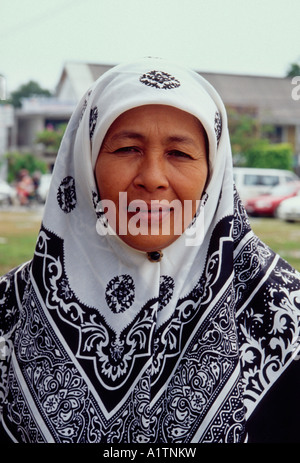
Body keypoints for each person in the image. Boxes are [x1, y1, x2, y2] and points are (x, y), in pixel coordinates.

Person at [0, 57, 300, 444]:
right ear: (86, 161)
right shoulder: (13, 306)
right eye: (126, 149)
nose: (153, 178)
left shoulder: (284, 311)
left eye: (180, 154)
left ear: (213, 172)